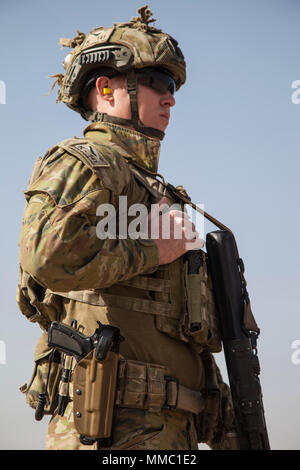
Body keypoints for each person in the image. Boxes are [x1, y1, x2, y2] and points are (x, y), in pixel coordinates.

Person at [17, 5, 235, 450]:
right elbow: (45, 256)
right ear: (105, 88)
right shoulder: (86, 163)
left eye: (172, 86)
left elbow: (173, 331)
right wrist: (154, 249)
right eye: (159, 83)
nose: (170, 97)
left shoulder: (156, 190)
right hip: (110, 428)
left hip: (171, 430)